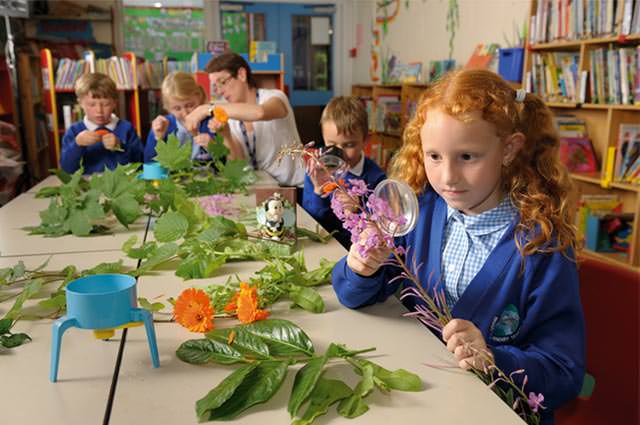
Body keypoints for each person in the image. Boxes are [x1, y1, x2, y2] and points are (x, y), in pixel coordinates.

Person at [332, 69, 585, 423]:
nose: (448, 177)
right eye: (434, 156)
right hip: (417, 398)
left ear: (508, 149)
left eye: (467, 157)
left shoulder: (542, 246)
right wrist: (360, 268)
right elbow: (353, 294)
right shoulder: (418, 212)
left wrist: (495, 359)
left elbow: (564, 371)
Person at [184, 53, 305, 200]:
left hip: (294, 189)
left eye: (222, 82)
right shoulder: (231, 116)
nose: (219, 91)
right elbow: (239, 163)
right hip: (263, 192)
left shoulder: (275, 96)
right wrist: (226, 134)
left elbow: (260, 113)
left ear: (241, 74)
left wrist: (206, 108)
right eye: (215, 86)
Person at [302, 96, 386, 249]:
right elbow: (311, 223)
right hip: (322, 247)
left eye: (349, 145)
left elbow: (378, 235)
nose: (340, 153)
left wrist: (357, 210)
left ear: (366, 140)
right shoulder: (318, 172)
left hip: (355, 254)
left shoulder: (377, 179)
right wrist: (317, 193)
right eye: (332, 145)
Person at [144, 71, 243, 164]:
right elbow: (149, 163)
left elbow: (226, 162)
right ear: (167, 108)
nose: (185, 113)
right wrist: (158, 138)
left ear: (199, 96)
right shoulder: (164, 126)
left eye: (189, 105)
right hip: (175, 180)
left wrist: (213, 147)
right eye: (177, 108)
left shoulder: (212, 122)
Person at [60, 73, 142, 174]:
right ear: (80, 103)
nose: (99, 111)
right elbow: (67, 169)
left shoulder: (126, 128)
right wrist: (77, 145)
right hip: (86, 187)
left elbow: (138, 165)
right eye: (92, 104)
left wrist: (120, 146)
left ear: (114, 103)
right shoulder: (74, 131)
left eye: (106, 104)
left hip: (120, 185)